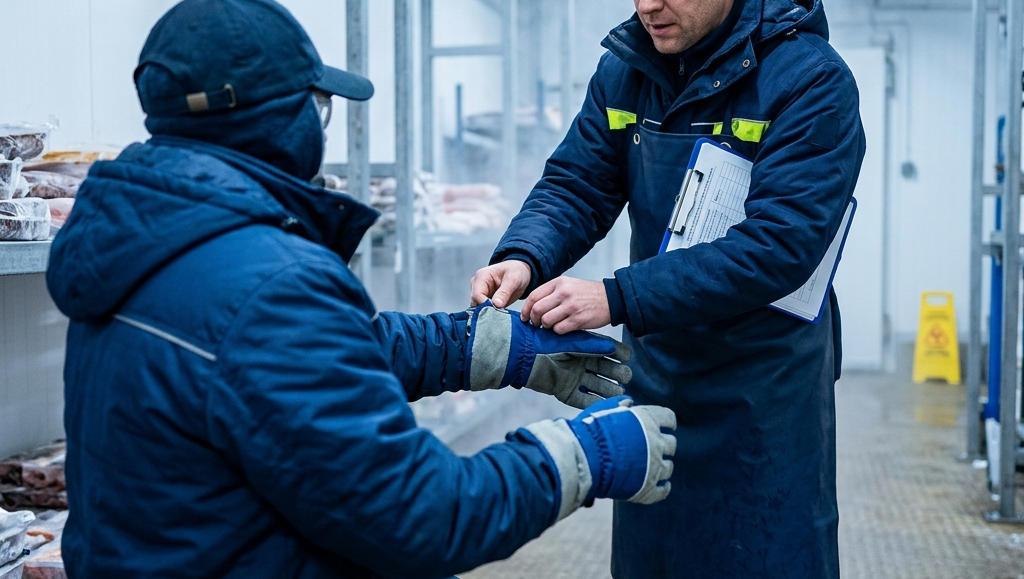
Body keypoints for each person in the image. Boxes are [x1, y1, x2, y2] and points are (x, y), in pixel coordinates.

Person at [43, 1, 679, 577]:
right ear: (273, 120)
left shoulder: (147, 243)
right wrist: (581, 455)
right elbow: (425, 517)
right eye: (314, 107)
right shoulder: (269, 283)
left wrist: (486, 346)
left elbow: (298, 361)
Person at [471, 0, 866, 577]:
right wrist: (523, 254)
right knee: (656, 558)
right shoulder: (629, 70)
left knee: (763, 556)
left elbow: (780, 245)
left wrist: (615, 296)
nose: (646, 5)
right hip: (657, 373)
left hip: (764, 394)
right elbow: (579, 183)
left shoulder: (809, 80)